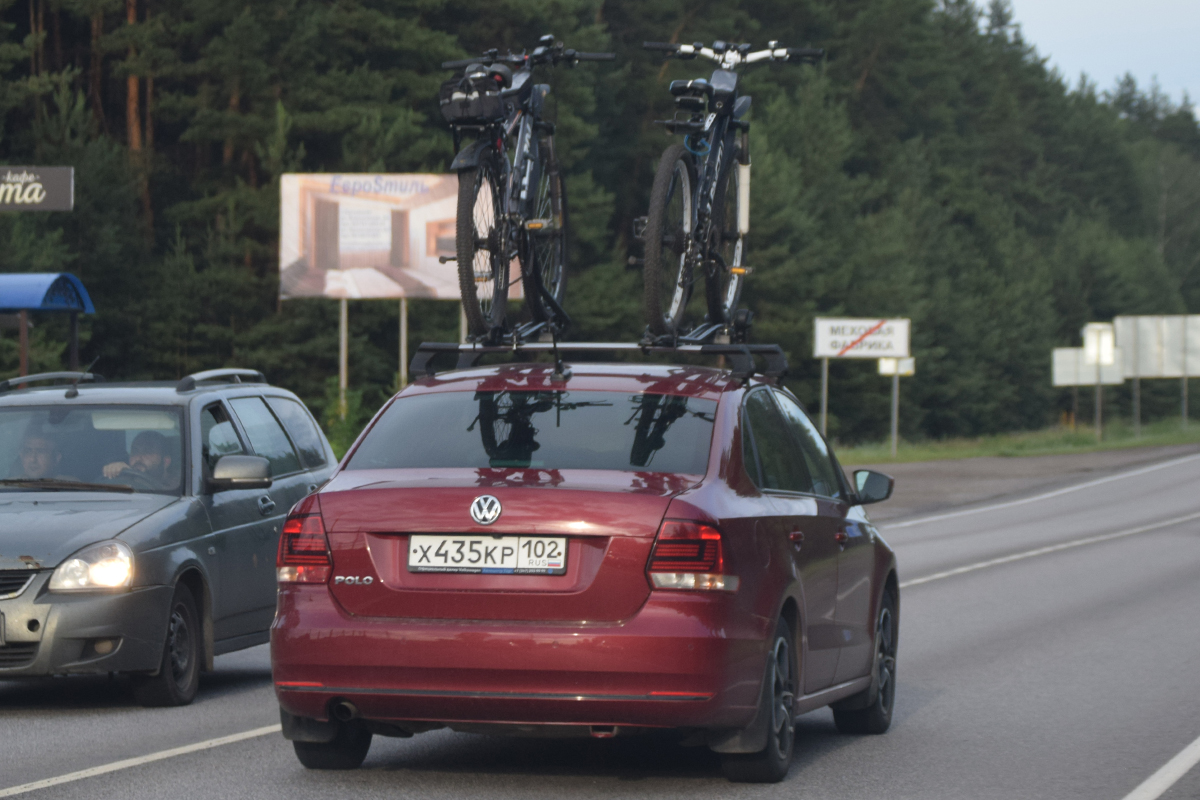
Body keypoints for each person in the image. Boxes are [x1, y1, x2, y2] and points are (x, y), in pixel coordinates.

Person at [103, 431, 178, 491]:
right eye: (135, 452)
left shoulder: (177, 487)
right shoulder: (124, 478)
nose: (138, 458)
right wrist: (114, 473)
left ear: (166, 461)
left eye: (148, 452)